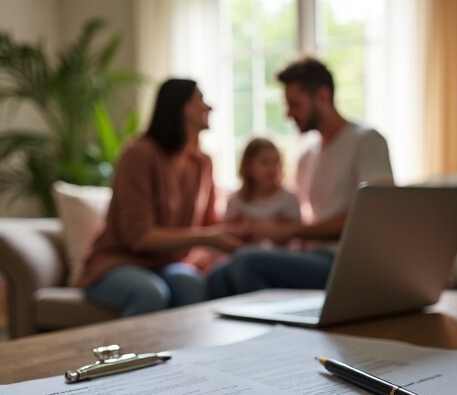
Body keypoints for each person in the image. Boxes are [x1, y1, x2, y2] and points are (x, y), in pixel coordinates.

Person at [207, 57, 394, 298]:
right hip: (310, 257)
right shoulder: (307, 155)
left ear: (323, 97)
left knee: (246, 261)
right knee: (217, 276)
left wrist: (288, 231)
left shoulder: (366, 141)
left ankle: (277, 334)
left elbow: (375, 215)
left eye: (295, 104)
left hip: (347, 261)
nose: (288, 114)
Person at [79, 78, 242, 317]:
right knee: (150, 293)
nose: (209, 108)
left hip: (169, 264)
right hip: (118, 263)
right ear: (183, 108)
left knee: (190, 283)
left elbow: (210, 225)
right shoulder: (139, 154)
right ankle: (137, 355)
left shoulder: (202, 163)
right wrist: (208, 238)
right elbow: (139, 237)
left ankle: (193, 355)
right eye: (201, 100)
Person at [224, 137, 301, 231]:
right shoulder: (235, 203)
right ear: (248, 166)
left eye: (276, 162)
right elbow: (228, 237)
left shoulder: (289, 199)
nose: (272, 168)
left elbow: (299, 237)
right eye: (264, 162)